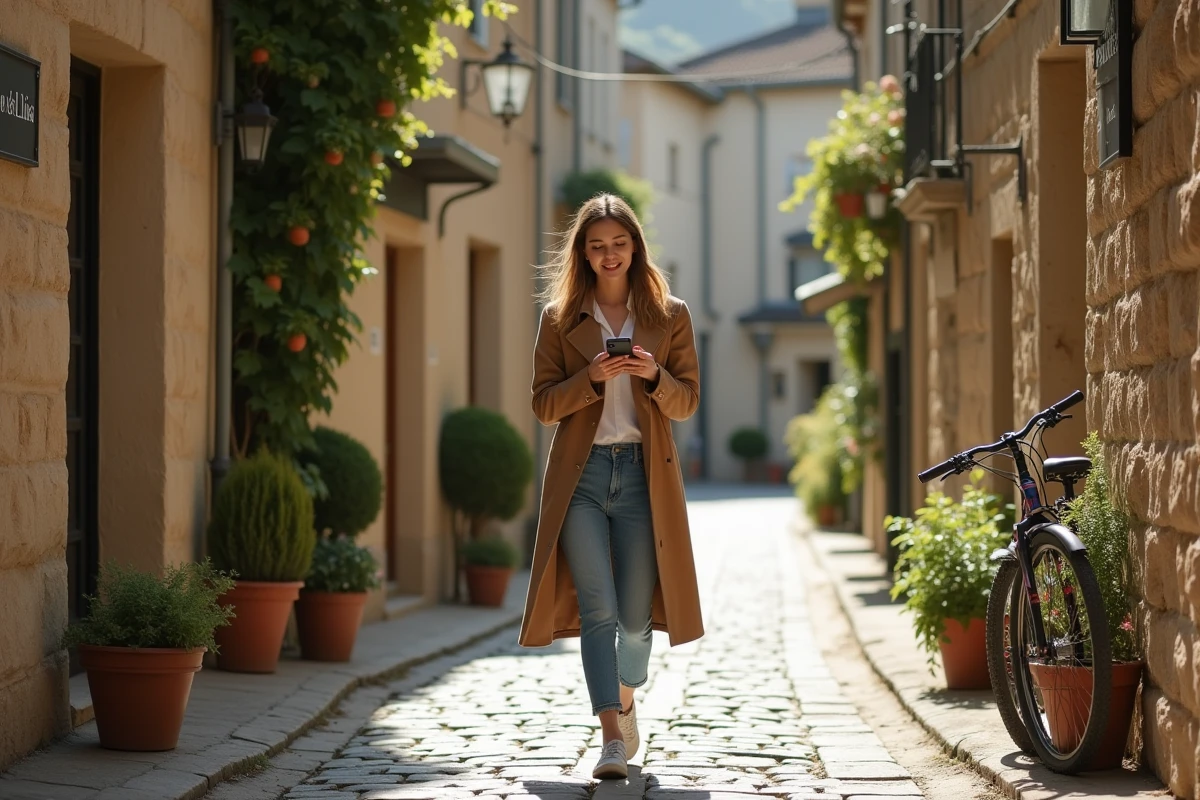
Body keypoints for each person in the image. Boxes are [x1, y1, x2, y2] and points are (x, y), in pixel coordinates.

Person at [517, 193, 705, 780]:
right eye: (597, 245)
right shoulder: (559, 318)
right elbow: (544, 405)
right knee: (597, 609)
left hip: (645, 479)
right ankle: (610, 739)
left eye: (619, 243)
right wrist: (590, 378)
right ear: (583, 252)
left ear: (635, 247)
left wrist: (654, 374)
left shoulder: (670, 315)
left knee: (634, 620)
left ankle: (625, 700)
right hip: (583, 477)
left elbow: (688, 401)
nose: (609, 255)